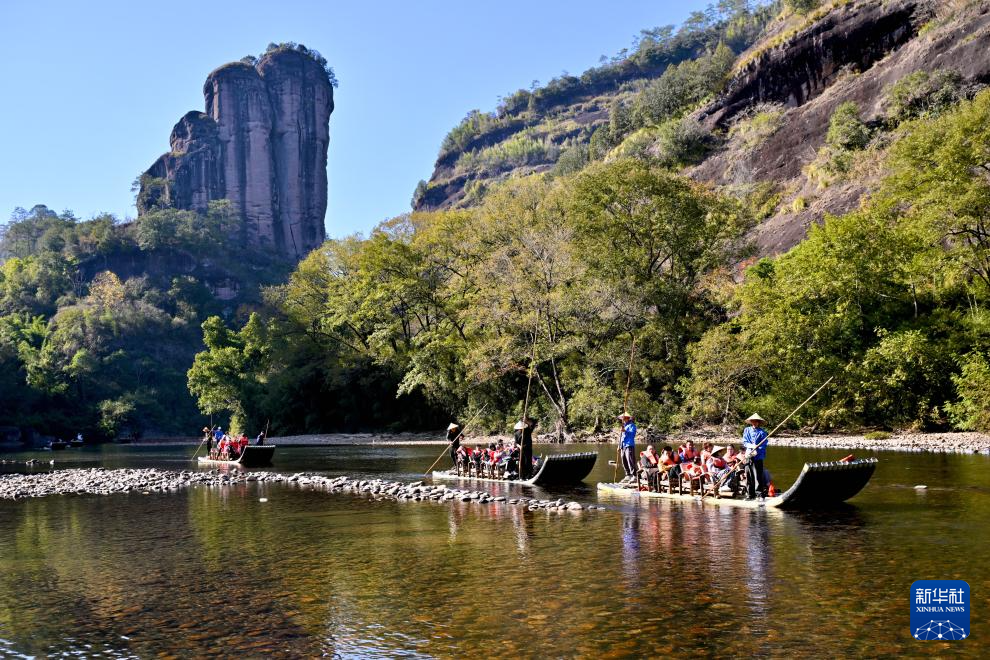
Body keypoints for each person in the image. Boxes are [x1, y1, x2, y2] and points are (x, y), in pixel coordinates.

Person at [742, 413, 769, 500]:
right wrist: (751, 447)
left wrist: (757, 450)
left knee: (758, 475)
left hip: (758, 456)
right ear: (751, 422)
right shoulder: (747, 430)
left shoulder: (762, 433)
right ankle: (750, 494)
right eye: (753, 421)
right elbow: (745, 441)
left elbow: (764, 444)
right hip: (748, 455)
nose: (754, 423)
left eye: (756, 421)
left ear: (759, 422)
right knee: (749, 475)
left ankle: (759, 494)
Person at [618, 412, 637, 483]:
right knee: (624, 460)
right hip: (623, 445)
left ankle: (634, 475)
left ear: (627, 418)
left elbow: (632, 434)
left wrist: (625, 431)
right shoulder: (624, 426)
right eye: (622, 418)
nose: (622, 419)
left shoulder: (632, 425)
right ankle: (628, 475)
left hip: (629, 445)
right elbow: (622, 437)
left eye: (624, 418)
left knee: (630, 460)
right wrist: (619, 446)